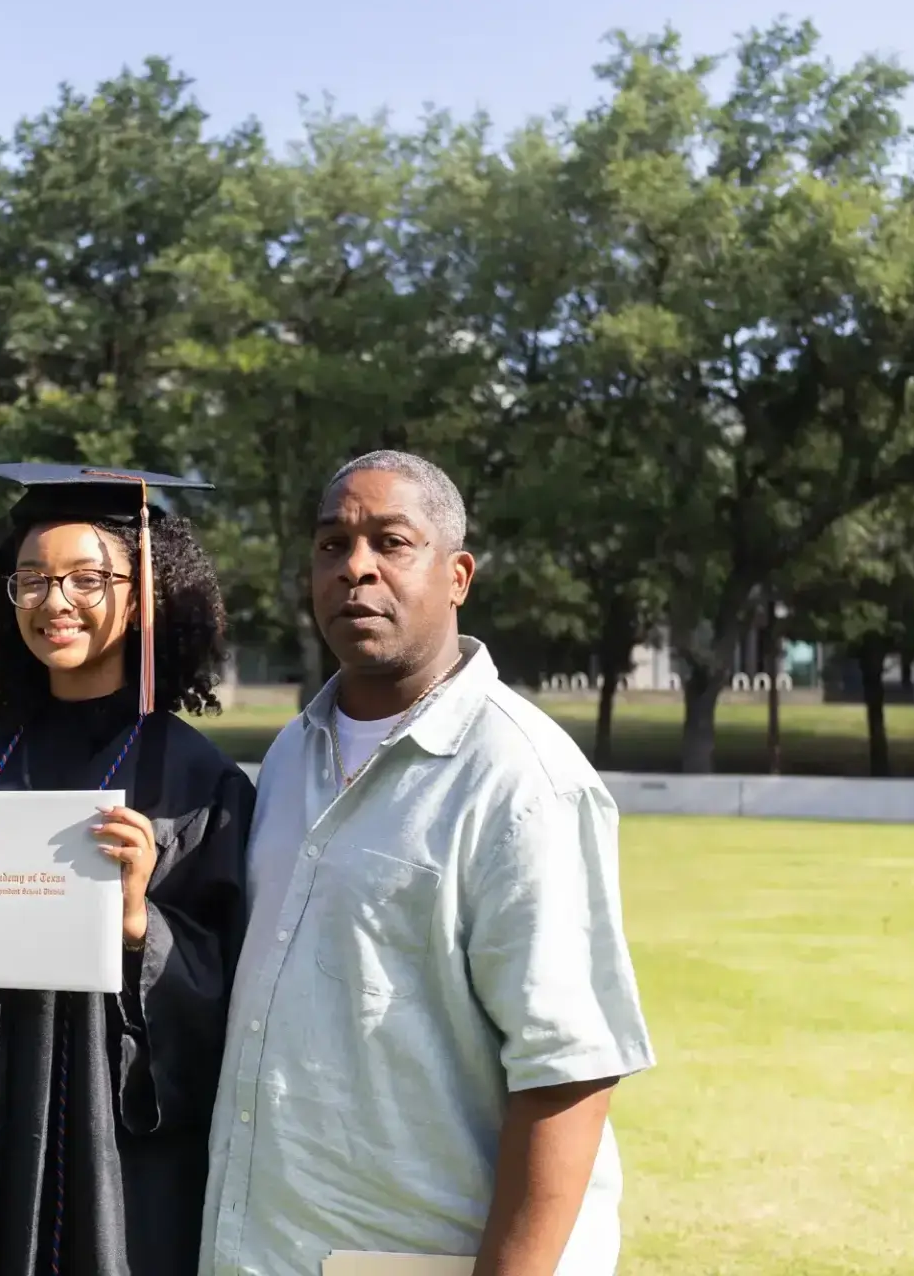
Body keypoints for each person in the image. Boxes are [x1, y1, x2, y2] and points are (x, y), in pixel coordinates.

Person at [198, 451, 655, 1276]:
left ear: (457, 575)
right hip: (272, 1247)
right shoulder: (295, 755)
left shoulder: (521, 781)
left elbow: (569, 1075)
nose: (356, 567)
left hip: (424, 1256)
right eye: (332, 544)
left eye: (391, 542)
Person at [0, 463, 255, 1276]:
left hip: (112, 1139)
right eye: (33, 579)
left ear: (145, 591)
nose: (55, 601)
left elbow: (234, 994)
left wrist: (139, 923)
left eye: (87, 578)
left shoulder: (193, 780)